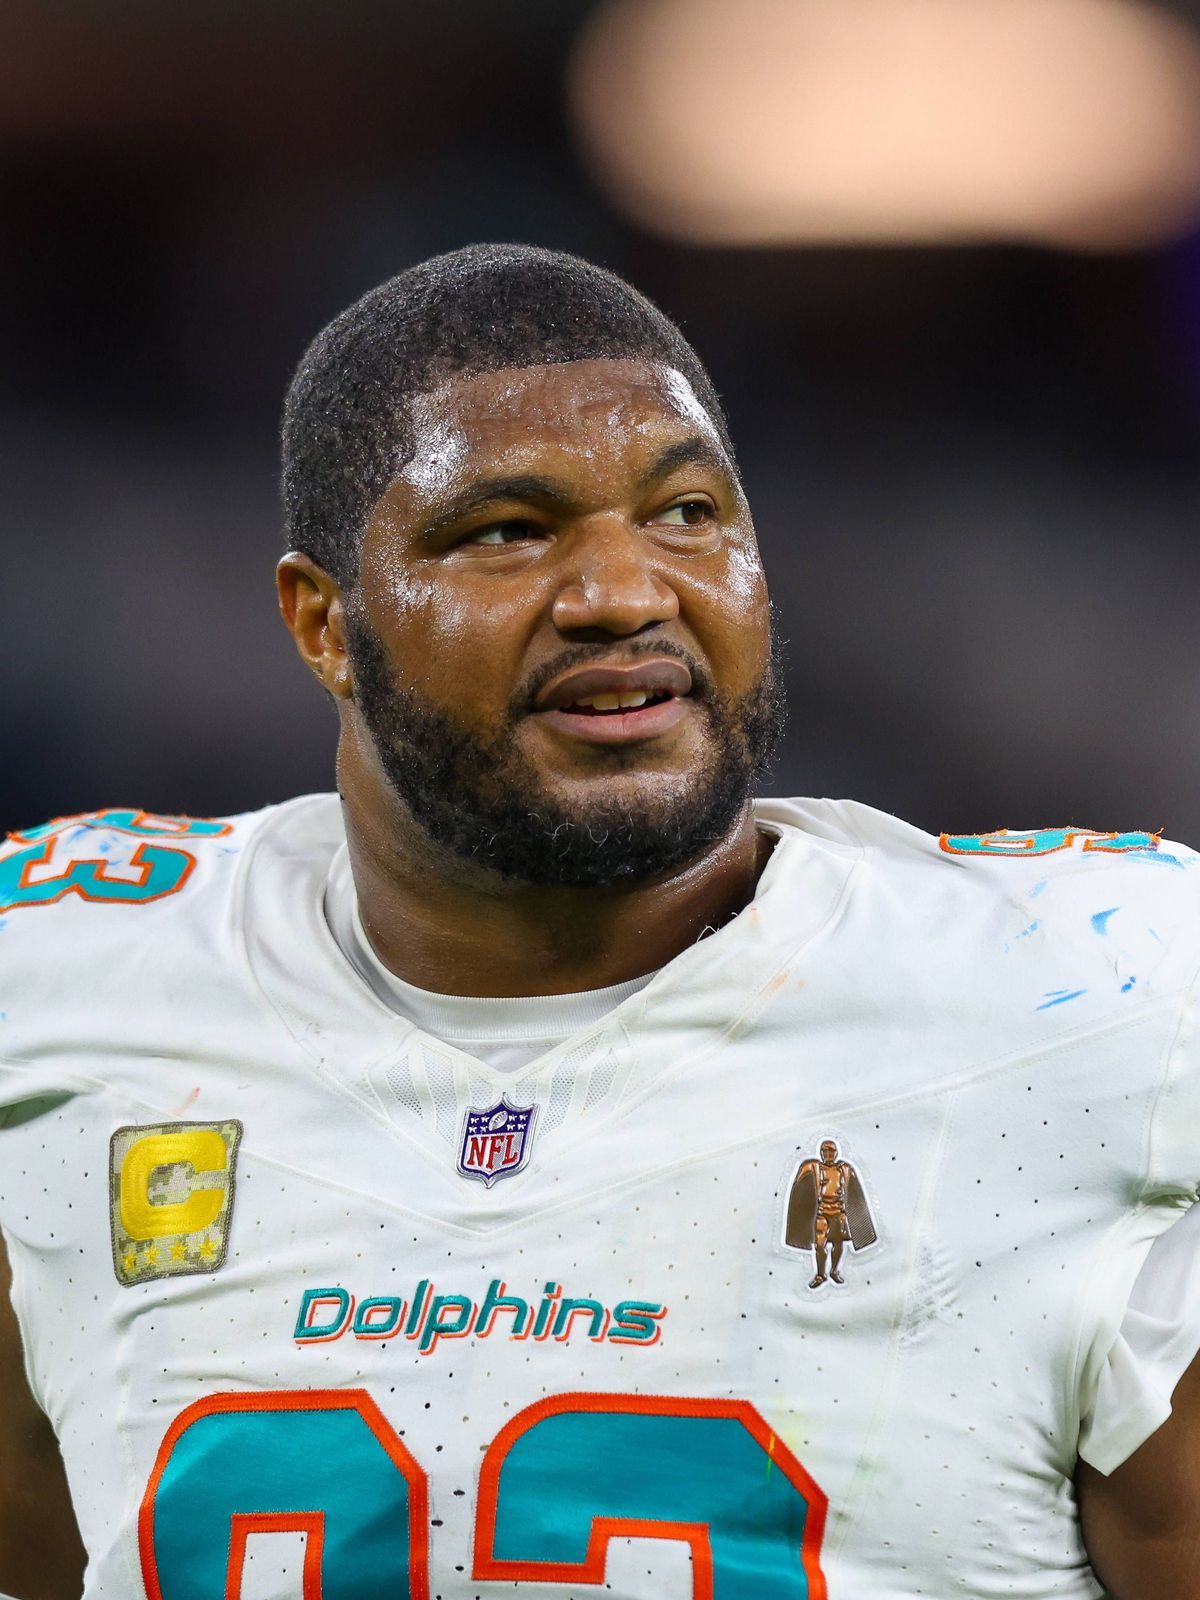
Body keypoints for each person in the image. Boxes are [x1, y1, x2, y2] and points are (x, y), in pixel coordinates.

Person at [0, 243, 1197, 1600]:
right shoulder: (61, 991)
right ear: (322, 624)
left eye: (689, 514)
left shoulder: (1100, 1005)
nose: (626, 594)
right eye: (509, 530)